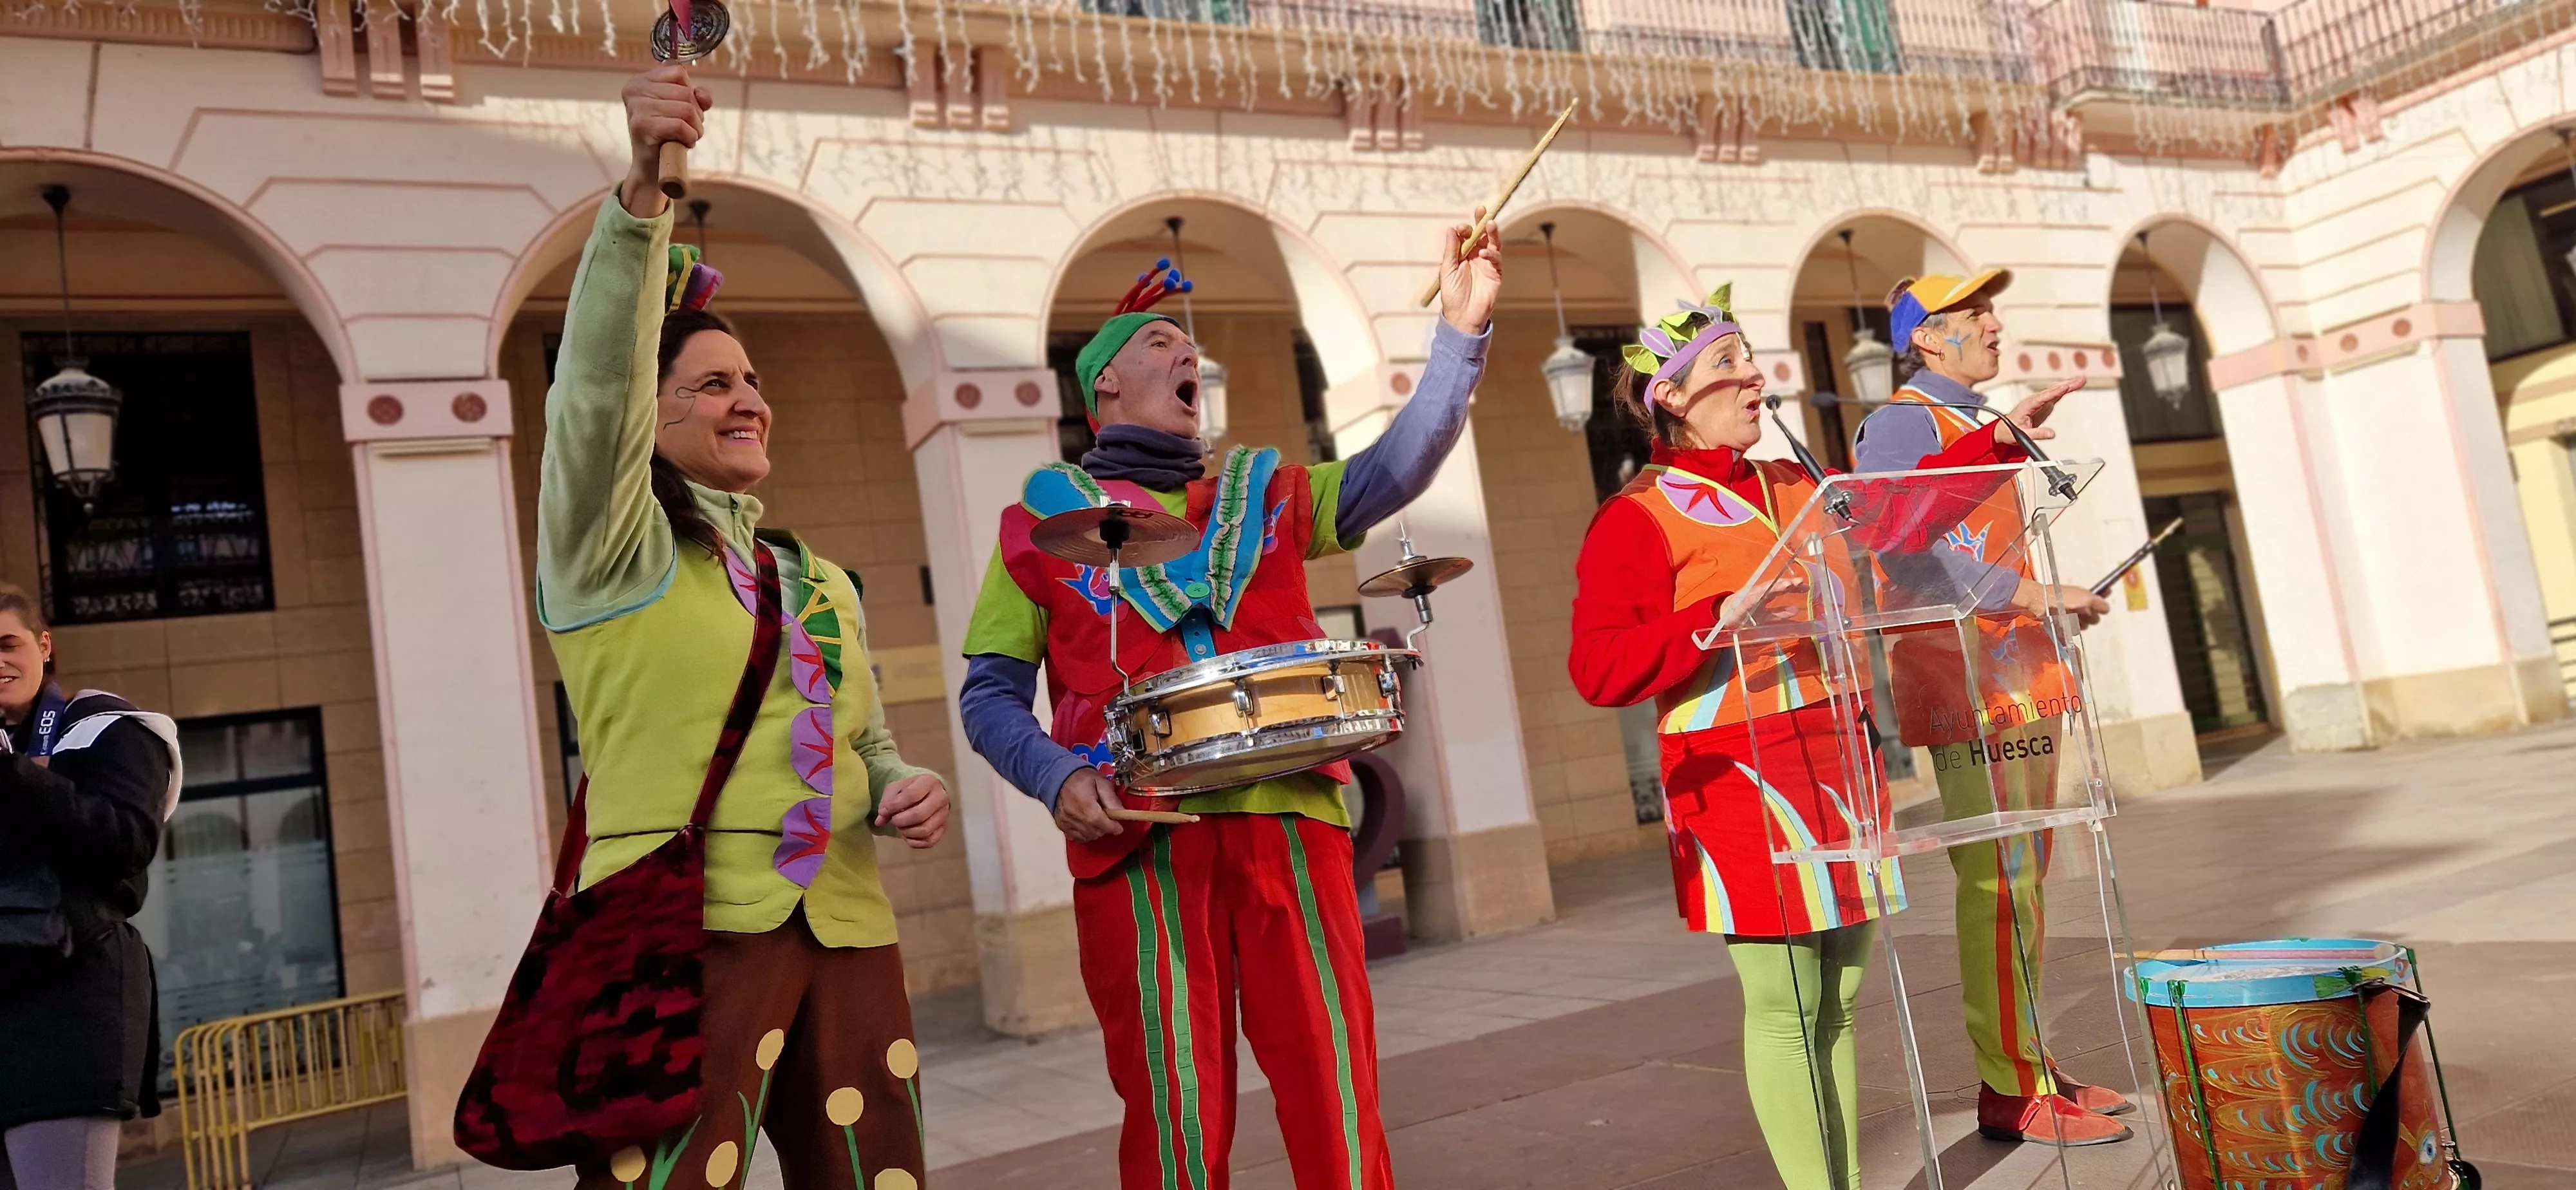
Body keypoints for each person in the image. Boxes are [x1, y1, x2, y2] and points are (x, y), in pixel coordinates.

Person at [955, 216, 1501, 1190]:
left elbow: (1400, 465)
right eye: (1162, 345)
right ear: (1105, 388)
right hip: (1141, 837)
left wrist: (1460, 335)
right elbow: (989, 696)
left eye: (1191, 349)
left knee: (1336, 1092)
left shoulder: (1272, 493)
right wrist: (1055, 775)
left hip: (1291, 819)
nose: (1188, 355)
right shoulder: (1038, 524)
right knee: (1173, 1117)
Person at [527, 62, 949, 1190]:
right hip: (680, 929)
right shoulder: (607, 550)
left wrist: (901, 779)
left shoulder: (816, 579)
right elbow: (589, 397)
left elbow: (859, 737)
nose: (748, 396)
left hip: (849, 921)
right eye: (712, 382)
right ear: (647, 415)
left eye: (753, 378)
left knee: (878, 1175)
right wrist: (640, 201)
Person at [1567, 288, 1904, 1190]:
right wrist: (1716, 615)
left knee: (1839, 1000)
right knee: (1787, 1004)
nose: (1756, 375)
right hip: (1736, 773)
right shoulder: (1635, 516)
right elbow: (1598, 669)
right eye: (1728, 364)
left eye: (1751, 358)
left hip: (1840, 754)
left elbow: (1897, 547)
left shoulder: (1802, 485)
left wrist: (1993, 451)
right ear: (1670, 398)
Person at [1848, 271, 2127, 1146]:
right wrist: (2031, 590)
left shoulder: (1978, 423)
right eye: (1975, 318)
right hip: (1961, 676)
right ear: (1929, 339)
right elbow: (1901, 548)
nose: (1996, 327)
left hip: (2012, 670)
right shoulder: (1901, 422)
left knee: (2027, 881)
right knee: (2000, 882)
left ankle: (2030, 1064)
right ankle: (2009, 1088)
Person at [0, 583, 180, 1190]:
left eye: (8, 645)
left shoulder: (108, 729)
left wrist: (15, 776)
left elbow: (127, 845)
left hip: (67, 1004)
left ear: (44, 646)